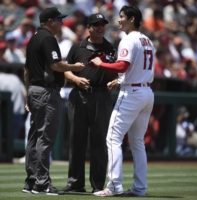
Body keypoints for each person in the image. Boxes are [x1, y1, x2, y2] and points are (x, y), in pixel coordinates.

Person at [90, 6, 155, 197]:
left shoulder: (128, 39)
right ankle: (140, 188)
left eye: (122, 17)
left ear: (132, 19)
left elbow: (123, 65)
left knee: (113, 138)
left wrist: (100, 64)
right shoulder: (147, 40)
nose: (118, 20)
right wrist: (119, 81)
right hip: (146, 92)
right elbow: (135, 68)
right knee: (137, 142)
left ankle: (114, 185)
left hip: (132, 94)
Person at [22, 7, 85, 195]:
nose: (61, 22)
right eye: (59, 19)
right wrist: (75, 66)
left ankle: (31, 182)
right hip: (47, 92)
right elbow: (56, 65)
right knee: (45, 138)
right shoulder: (48, 38)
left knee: (34, 137)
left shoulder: (34, 38)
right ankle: (42, 183)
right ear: (50, 21)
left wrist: (29, 93)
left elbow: (26, 71)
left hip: (34, 89)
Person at [61, 13, 118, 193]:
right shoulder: (78, 46)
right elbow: (66, 71)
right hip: (79, 94)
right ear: (89, 27)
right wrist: (76, 80)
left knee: (99, 141)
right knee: (76, 140)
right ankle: (75, 183)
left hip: (102, 96)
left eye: (103, 24)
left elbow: (119, 72)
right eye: (96, 24)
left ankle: (97, 185)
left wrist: (116, 81)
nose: (100, 27)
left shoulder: (111, 48)